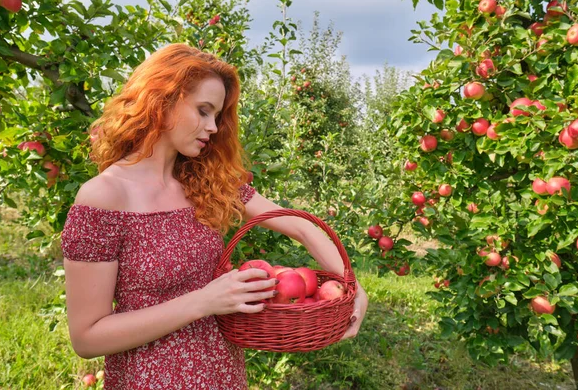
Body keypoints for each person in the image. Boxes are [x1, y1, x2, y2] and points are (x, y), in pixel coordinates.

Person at [61, 43, 368, 389]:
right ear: (162, 98)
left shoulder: (205, 181)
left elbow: (300, 226)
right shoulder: (104, 196)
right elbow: (87, 337)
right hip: (150, 379)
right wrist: (204, 301)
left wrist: (352, 284)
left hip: (222, 373)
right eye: (203, 110)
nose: (212, 127)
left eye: (217, 116)